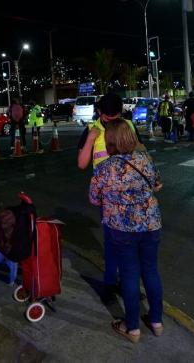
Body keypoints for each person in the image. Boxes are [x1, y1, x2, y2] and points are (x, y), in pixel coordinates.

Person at [89, 120, 164, 343]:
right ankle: (156, 321)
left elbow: (94, 198)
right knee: (150, 271)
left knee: (130, 274)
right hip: (150, 224)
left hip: (121, 228)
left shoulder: (105, 167)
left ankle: (132, 328)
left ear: (111, 142)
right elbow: (158, 185)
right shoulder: (145, 160)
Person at [77, 93, 140, 304]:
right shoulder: (92, 129)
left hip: (132, 196)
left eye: (115, 118)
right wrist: (91, 139)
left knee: (128, 243)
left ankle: (125, 283)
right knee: (113, 243)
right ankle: (111, 284)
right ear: (100, 113)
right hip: (108, 198)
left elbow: (141, 155)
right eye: (108, 119)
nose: (112, 122)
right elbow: (82, 163)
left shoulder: (128, 126)